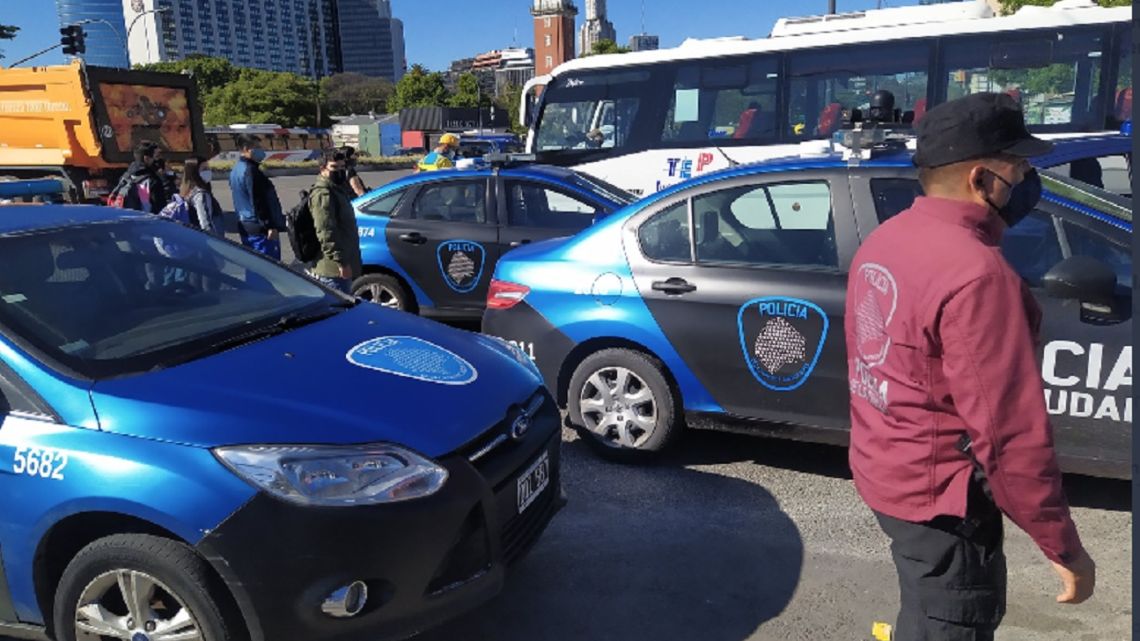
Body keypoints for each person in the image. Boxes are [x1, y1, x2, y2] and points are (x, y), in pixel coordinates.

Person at [846, 92, 1095, 641]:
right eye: (1021, 166)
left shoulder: (886, 240)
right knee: (949, 621)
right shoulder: (977, 275)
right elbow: (1010, 437)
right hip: (945, 502)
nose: (1030, 177)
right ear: (982, 179)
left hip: (890, 475)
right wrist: (1063, 547)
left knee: (925, 608)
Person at [307, 151, 362, 294]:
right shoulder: (323, 193)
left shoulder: (336, 188)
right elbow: (326, 231)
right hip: (333, 270)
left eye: (342, 167)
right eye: (334, 167)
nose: (339, 171)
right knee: (339, 309)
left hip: (340, 266)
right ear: (322, 169)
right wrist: (341, 262)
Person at [229, 134, 286, 258]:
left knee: (255, 264)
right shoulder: (251, 171)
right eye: (257, 147)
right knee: (268, 267)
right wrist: (269, 225)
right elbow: (258, 201)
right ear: (245, 149)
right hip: (259, 228)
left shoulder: (236, 169)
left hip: (246, 224)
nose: (261, 151)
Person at [116, 141, 168, 213]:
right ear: (146, 158)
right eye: (155, 157)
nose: (157, 160)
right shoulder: (152, 181)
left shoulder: (125, 177)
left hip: (126, 218)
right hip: (146, 221)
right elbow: (160, 208)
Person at [180, 157, 224, 236]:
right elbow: (206, 224)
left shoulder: (188, 190)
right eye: (204, 169)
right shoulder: (201, 194)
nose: (208, 171)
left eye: (208, 168)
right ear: (194, 172)